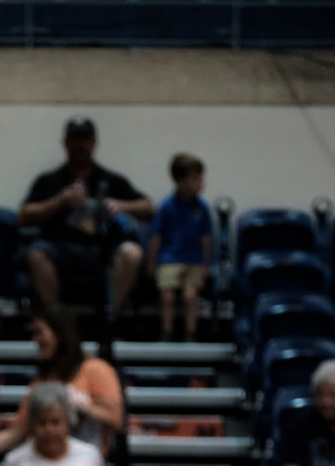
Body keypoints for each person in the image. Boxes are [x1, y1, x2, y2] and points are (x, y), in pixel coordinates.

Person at [0, 304, 123, 466]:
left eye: (39, 332)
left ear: (60, 333)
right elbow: (17, 433)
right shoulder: (41, 383)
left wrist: (79, 405)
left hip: (86, 465)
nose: (35, 340)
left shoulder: (95, 370)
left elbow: (115, 420)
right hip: (47, 465)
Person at [19, 116, 152, 317]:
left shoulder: (110, 179)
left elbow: (149, 207)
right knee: (36, 254)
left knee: (132, 253)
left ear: (94, 143)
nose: (80, 145)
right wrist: (59, 201)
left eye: (85, 140)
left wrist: (121, 205)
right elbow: (23, 215)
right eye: (75, 140)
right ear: (65, 143)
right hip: (60, 249)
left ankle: (111, 317)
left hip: (101, 250)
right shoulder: (50, 180)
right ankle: (57, 321)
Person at [148, 153, 212, 342]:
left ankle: (190, 333)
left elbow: (206, 238)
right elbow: (156, 237)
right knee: (167, 297)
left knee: (190, 296)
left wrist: (207, 264)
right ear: (180, 180)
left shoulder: (202, 208)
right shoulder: (166, 206)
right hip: (170, 259)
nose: (200, 182)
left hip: (194, 260)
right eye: (195, 178)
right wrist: (151, 263)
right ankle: (166, 332)